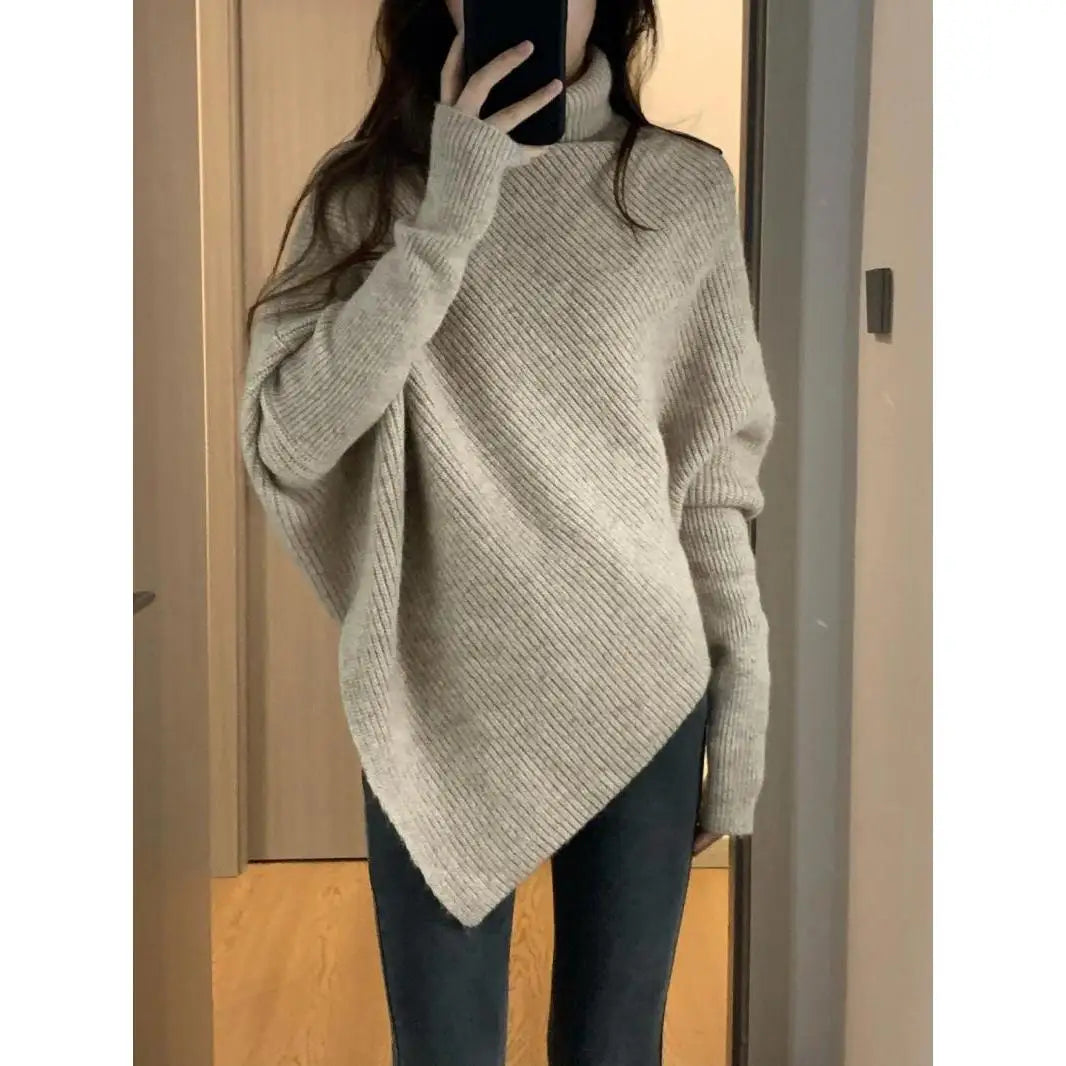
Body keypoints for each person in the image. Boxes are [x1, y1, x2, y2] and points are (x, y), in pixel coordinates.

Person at [240, 0, 775, 1062]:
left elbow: (713, 476)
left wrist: (743, 705)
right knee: (442, 1049)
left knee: (614, 1045)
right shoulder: (368, 195)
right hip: (432, 695)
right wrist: (448, 214)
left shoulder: (680, 189)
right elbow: (290, 439)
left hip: (640, 682)